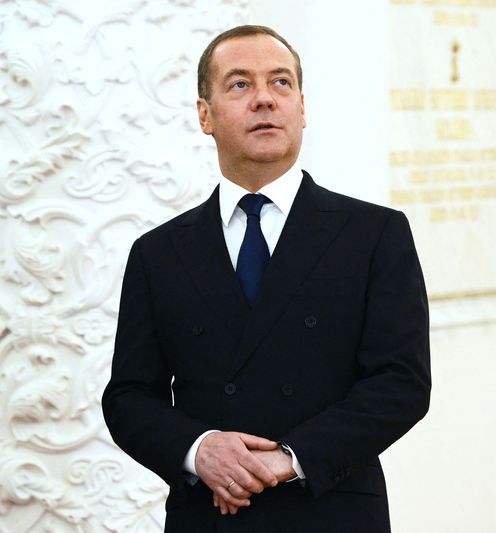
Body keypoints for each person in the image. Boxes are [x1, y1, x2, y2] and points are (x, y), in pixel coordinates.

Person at [102, 24, 431, 532]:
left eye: (280, 83)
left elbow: (401, 383)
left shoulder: (374, 233)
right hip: (210, 516)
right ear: (204, 115)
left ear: (302, 107)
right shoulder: (158, 253)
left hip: (332, 510)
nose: (264, 100)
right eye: (239, 84)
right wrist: (199, 450)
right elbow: (128, 398)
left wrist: (290, 458)